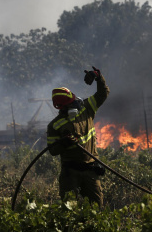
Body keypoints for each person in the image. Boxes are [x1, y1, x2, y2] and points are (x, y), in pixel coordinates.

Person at [46, 66, 110, 208]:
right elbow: (52, 150)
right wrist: (64, 143)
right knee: (69, 210)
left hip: (91, 169)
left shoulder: (87, 108)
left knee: (96, 208)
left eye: (75, 100)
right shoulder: (54, 125)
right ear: (62, 107)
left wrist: (98, 78)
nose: (76, 103)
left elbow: (103, 93)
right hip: (70, 173)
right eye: (71, 103)